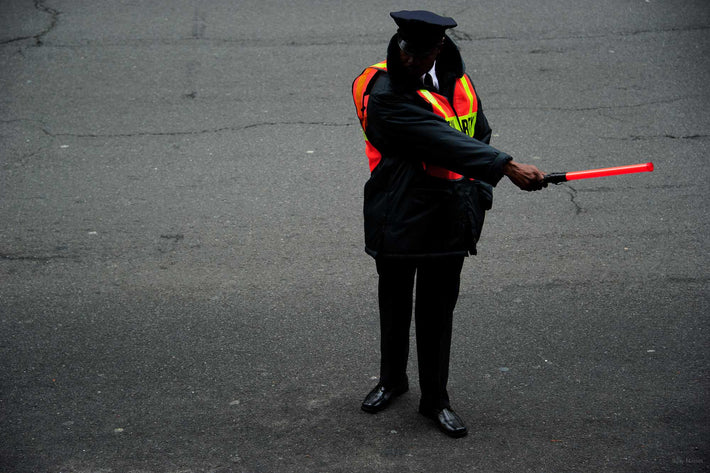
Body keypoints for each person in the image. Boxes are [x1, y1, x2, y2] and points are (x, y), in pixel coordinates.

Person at [351, 10, 546, 438]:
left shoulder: (460, 82)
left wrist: (480, 193)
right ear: (398, 44)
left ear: (439, 49)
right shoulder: (381, 89)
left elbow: (478, 132)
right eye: (406, 50)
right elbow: (439, 139)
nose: (411, 60)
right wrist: (506, 168)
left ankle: (435, 400)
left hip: (449, 215)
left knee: (438, 312)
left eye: (421, 53)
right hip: (398, 211)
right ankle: (392, 381)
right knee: (395, 302)